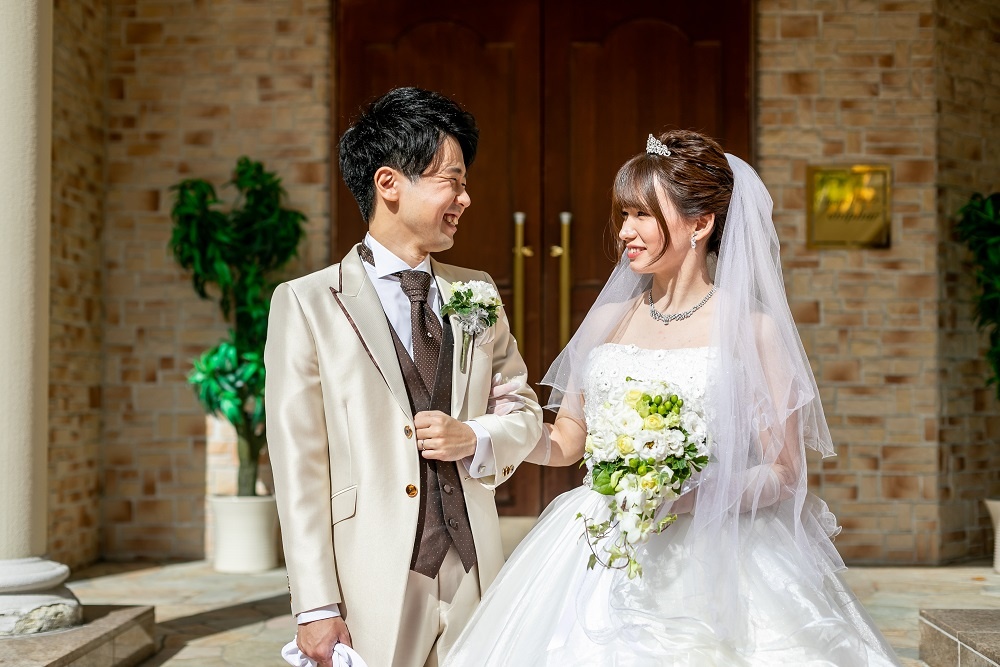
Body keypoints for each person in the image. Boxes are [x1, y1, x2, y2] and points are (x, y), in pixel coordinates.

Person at [444, 130, 901, 666]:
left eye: (642, 215)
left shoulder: (753, 329)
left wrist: (692, 494)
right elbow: (568, 442)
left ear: (700, 224)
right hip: (603, 539)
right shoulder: (610, 318)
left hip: (720, 552)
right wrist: (507, 426)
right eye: (624, 214)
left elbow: (784, 471)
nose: (625, 231)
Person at [265, 87, 542, 667]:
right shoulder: (308, 303)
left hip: (475, 571)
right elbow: (299, 466)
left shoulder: (476, 291)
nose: (465, 198)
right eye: (452, 181)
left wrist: (476, 437)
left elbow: (523, 410)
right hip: (370, 580)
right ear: (389, 183)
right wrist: (314, 605)